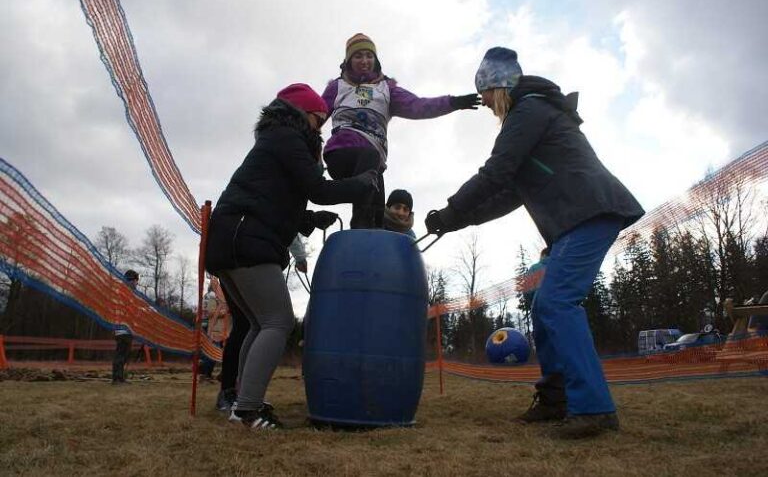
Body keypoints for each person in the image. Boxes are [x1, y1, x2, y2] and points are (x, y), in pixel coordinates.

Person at [424, 47, 645, 438]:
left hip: (591, 211)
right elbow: (508, 194)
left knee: (558, 301)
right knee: (545, 305)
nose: (489, 104)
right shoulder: (529, 114)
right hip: (573, 222)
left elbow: (495, 172)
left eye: (489, 94)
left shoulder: (529, 111)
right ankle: (557, 398)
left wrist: (450, 209)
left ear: (501, 85)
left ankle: (594, 409)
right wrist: (454, 222)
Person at [205, 83, 377, 430]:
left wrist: (311, 219)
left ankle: (243, 399)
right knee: (278, 321)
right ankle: (247, 410)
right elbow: (318, 189)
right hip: (246, 240)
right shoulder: (287, 137)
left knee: (258, 323)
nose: (321, 127)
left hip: (233, 238)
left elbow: (277, 199)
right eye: (318, 119)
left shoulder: (275, 140)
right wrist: (362, 182)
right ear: (303, 114)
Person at [322, 33, 481, 229]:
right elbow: (314, 115)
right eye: (358, 56)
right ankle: (360, 227)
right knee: (369, 166)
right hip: (341, 154)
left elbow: (418, 106)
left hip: (372, 165)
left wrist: (453, 102)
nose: (364, 61)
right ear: (348, 61)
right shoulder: (337, 86)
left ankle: (374, 240)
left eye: (369, 56)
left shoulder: (386, 89)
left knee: (379, 206)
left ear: (376, 59)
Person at [215, 237, 309, 412]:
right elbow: (287, 218)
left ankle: (237, 395)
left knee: (251, 323)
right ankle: (245, 406)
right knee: (276, 322)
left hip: (223, 250)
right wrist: (300, 255)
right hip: (251, 251)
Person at [112, 269, 139, 385]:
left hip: (127, 329)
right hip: (122, 329)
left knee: (124, 354)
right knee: (121, 354)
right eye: (136, 280)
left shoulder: (128, 293)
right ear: (131, 280)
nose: (137, 283)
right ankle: (117, 379)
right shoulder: (124, 293)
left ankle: (120, 377)